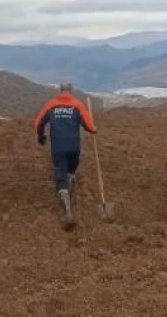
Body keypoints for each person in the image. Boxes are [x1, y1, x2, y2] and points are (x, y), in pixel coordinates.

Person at [35, 83, 97, 230]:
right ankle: (70, 186)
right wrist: (94, 129)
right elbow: (88, 125)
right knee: (71, 169)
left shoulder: (51, 105)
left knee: (60, 174)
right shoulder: (77, 105)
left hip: (58, 147)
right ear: (71, 91)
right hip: (74, 147)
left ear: (60, 91)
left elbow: (39, 122)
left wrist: (41, 135)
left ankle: (67, 210)